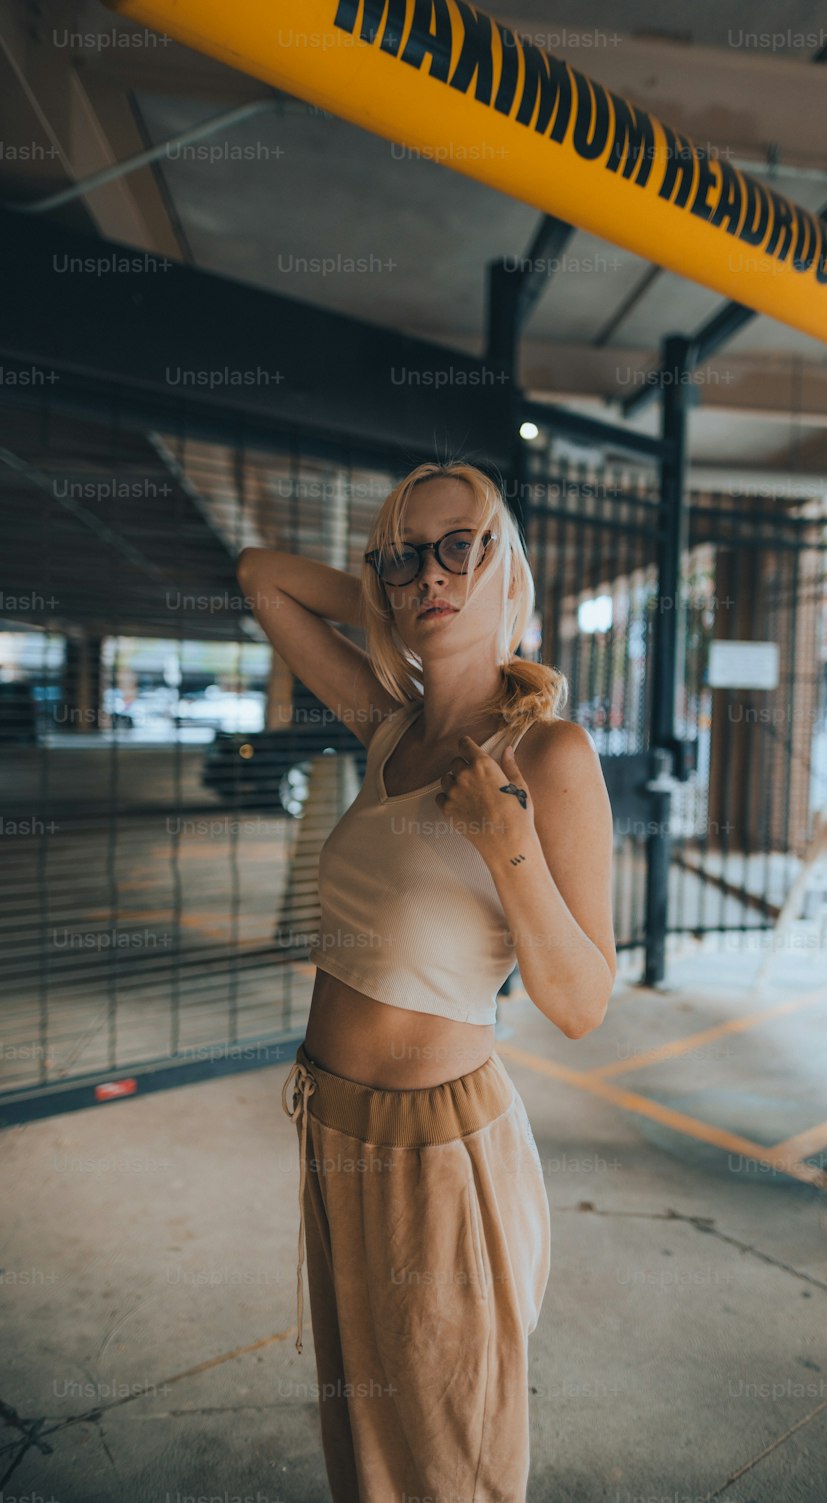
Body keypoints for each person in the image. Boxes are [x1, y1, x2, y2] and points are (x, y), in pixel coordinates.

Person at [238, 458, 616, 1502]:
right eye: (404, 557)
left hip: (438, 1151)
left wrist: (512, 850)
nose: (428, 575)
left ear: (511, 568)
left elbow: (583, 1005)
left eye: (461, 545)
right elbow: (260, 573)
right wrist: (386, 591)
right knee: (366, 1447)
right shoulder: (389, 727)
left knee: (449, 1463)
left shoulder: (548, 755)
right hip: (333, 1125)